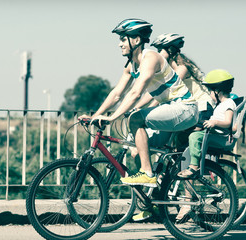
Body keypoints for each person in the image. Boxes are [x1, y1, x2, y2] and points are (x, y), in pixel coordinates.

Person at [80, 18, 199, 188]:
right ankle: (152, 198)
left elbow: (135, 93)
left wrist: (113, 117)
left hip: (184, 108)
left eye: (123, 39)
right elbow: (116, 94)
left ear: (136, 40)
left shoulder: (150, 57)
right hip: (170, 110)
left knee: (136, 119)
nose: (119, 44)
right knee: (136, 148)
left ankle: (147, 174)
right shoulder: (131, 65)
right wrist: (96, 115)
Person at [131, 33, 216, 221]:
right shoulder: (165, 67)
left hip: (201, 110)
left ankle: (187, 200)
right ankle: (156, 193)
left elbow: (157, 94)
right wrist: (139, 109)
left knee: (181, 152)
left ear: (170, 51)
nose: (157, 54)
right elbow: (159, 95)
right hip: (181, 111)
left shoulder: (182, 69)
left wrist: (138, 108)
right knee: (154, 150)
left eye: (161, 50)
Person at [175, 69, 236, 221]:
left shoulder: (229, 103)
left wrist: (215, 122)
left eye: (210, 90)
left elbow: (228, 122)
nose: (209, 94)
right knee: (188, 134)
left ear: (218, 90)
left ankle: (193, 166)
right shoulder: (221, 104)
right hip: (215, 135)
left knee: (195, 136)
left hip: (220, 138)